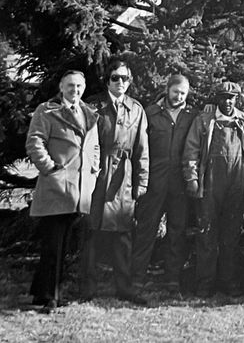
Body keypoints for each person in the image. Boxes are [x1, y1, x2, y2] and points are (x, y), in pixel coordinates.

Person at [25, 69, 100, 311]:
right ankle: (51, 296)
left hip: (79, 189)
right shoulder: (47, 111)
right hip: (57, 187)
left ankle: (42, 292)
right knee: (53, 245)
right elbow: (34, 142)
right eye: (70, 86)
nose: (74, 90)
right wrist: (50, 168)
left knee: (63, 245)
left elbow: (94, 146)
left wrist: (94, 170)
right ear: (61, 86)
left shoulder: (89, 113)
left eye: (79, 86)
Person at [183, 79, 244, 297]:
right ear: (216, 98)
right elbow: (191, 151)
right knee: (206, 234)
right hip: (209, 185)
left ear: (238, 99)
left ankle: (228, 282)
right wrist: (192, 179)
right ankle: (205, 283)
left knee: (231, 235)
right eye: (224, 97)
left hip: (236, 185)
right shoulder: (204, 120)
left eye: (232, 98)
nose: (228, 102)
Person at [82, 58, 149, 304]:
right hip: (96, 174)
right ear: (107, 80)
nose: (120, 82)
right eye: (115, 78)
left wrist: (142, 182)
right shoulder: (92, 106)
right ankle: (88, 287)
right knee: (91, 232)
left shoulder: (137, 108)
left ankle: (124, 287)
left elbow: (143, 148)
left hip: (124, 178)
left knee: (123, 234)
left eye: (125, 78)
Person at [132, 72, 198, 290]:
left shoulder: (192, 116)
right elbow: (139, 147)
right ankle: (137, 277)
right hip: (154, 182)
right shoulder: (151, 113)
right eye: (175, 92)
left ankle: (172, 278)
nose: (179, 96)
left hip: (179, 184)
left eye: (183, 93)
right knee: (146, 229)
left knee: (177, 231)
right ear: (167, 89)